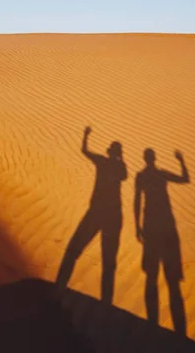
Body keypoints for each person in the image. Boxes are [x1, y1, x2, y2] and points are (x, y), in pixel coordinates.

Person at [56, 126, 127, 304]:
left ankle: (104, 302)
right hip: (102, 213)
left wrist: (86, 136)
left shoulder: (111, 165)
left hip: (105, 214)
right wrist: (85, 136)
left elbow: (122, 175)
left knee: (105, 260)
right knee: (83, 252)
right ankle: (59, 288)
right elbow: (85, 151)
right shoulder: (112, 164)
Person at [134, 148, 189, 335]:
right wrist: (181, 161)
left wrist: (137, 226)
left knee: (153, 276)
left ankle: (154, 325)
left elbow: (136, 201)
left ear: (145, 158)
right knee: (170, 280)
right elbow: (185, 178)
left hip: (154, 228)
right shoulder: (160, 174)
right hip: (164, 228)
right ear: (154, 158)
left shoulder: (141, 176)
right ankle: (178, 331)